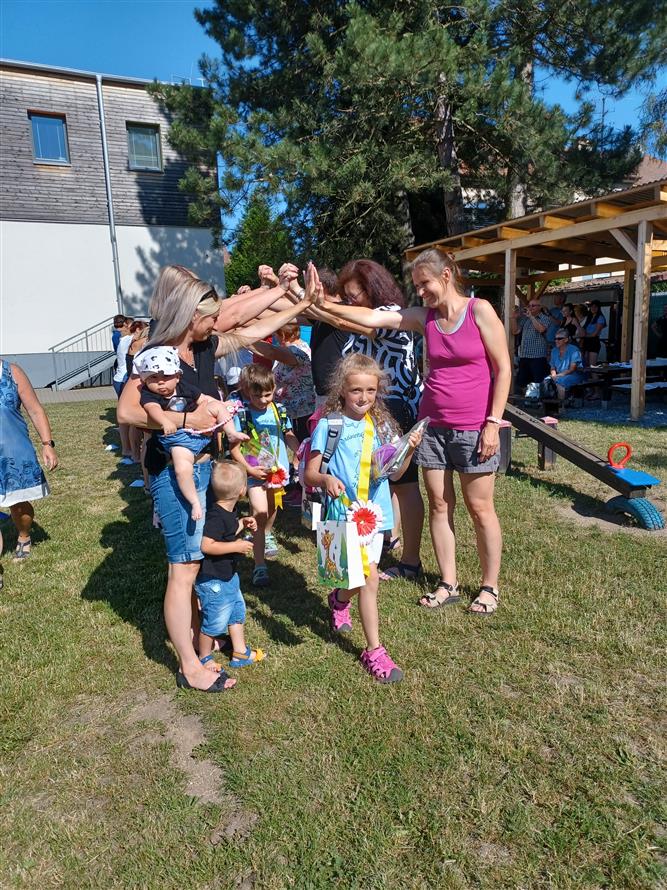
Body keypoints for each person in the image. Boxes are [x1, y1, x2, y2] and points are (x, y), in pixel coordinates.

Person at [118, 262, 321, 693]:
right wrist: (187, 419)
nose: (218, 322)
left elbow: (250, 327)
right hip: (173, 471)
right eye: (210, 317)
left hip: (205, 465)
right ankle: (190, 666)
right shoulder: (160, 353)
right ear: (191, 316)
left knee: (197, 562)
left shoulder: (204, 344)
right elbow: (127, 410)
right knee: (184, 566)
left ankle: (201, 642)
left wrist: (297, 301)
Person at [317, 249, 512, 615]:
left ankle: (489, 587)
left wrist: (492, 423)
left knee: (479, 507)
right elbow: (372, 317)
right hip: (432, 426)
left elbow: (503, 369)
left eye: (425, 284)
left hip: (474, 426)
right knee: (439, 503)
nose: (420, 292)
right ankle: (448, 582)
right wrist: (321, 303)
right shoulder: (426, 318)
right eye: (417, 286)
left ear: (446, 276)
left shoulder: (479, 311)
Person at [305, 354, 423, 683]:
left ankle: (340, 601)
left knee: (362, 578)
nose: (363, 397)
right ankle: (374, 650)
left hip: (373, 516)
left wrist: (409, 449)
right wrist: (326, 479)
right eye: (356, 390)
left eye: (370, 390)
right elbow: (309, 474)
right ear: (341, 389)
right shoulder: (330, 426)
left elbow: (395, 472)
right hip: (343, 513)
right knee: (366, 578)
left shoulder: (381, 426)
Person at [334, 259, 425, 581]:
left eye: (354, 296)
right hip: (375, 409)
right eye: (346, 297)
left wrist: (312, 304)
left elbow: (349, 320)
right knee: (383, 479)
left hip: (396, 409)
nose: (349, 302)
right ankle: (386, 537)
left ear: (372, 290)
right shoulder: (364, 314)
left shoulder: (392, 315)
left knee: (405, 483)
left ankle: (411, 560)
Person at [136, 346, 244, 520]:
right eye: (153, 378)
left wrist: (221, 405)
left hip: (199, 431)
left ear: (177, 376)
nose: (160, 382)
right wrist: (165, 421)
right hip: (178, 440)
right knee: (182, 469)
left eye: (166, 376)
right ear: (145, 380)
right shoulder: (149, 394)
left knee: (215, 406)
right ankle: (194, 502)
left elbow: (203, 399)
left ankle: (231, 432)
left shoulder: (184, 387)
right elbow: (153, 409)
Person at [229, 364, 301, 586]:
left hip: (277, 472)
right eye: (256, 395)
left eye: (267, 395)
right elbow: (234, 448)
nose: (262, 400)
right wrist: (248, 469)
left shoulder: (279, 410)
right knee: (259, 512)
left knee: (271, 508)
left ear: (274, 388)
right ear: (247, 391)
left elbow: (288, 434)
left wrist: (300, 452)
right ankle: (259, 566)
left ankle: (267, 533)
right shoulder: (242, 414)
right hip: (255, 471)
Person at [195, 460, 266, 669]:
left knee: (236, 612)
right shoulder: (215, 516)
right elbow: (207, 545)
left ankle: (240, 652)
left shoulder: (226, 511)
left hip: (228, 577)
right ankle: (204, 657)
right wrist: (235, 546)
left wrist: (242, 524)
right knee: (214, 622)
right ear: (242, 490)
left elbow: (226, 532)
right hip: (214, 581)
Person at [0, 360, 58, 569]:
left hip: (12, 450)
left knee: (18, 506)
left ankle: (24, 534)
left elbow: (35, 410)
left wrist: (47, 444)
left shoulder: (11, 372)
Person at [511, 297, 551, 388]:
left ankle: (537, 397)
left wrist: (531, 317)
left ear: (540, 307)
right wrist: (513, 318)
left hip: (537, 356)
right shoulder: (525, 319)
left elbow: (541, 329)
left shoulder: (544, 318)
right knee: (522, 382)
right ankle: (525, 396)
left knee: (537, 382)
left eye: (533, 306)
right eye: (529, 306)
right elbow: (515, 331)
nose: (530, 308)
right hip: (524, 355)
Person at [549, 329, 586, 399]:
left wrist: (557, 376)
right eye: (555, 339)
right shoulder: (554, 350)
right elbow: (552, 367)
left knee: (560, 381)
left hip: (575, 375)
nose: (556, 341)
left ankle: (561, 404)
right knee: (545, 381)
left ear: (566, 340)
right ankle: (547, 403)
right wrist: (553, 375)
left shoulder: (574, 350)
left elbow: (572, 369)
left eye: (559, 339)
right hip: (559, 375)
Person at [582, 299, 607, 366]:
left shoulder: (600, 318)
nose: (593, 308)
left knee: (592, 365)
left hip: (594, 341)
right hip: (586, 341)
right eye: (592, 307)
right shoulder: (588, 317)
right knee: (585, 364)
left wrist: (583, 335)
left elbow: (594, 334)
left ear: (598, 308)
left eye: (595, 307)